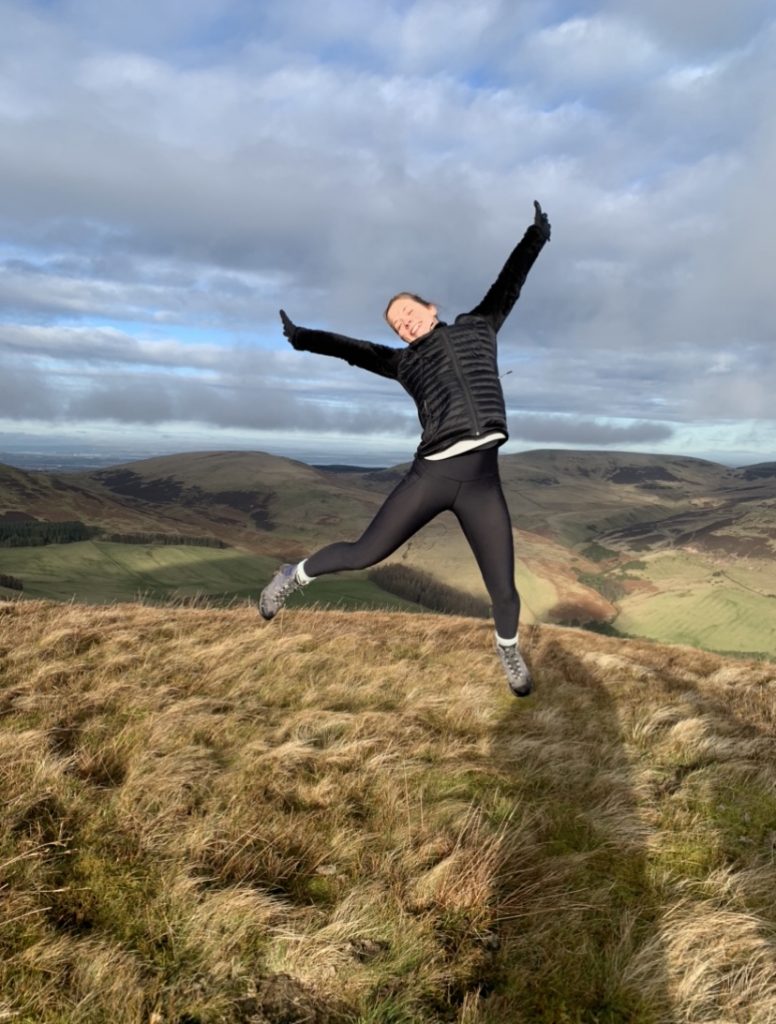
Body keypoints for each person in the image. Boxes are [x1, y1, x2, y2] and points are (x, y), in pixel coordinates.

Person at [260, 200, 551, 697]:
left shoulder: (480, 325)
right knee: (364, 553)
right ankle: (293, 575)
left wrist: (537, 235)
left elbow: (510, 282)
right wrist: (304, 338)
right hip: (432, 476)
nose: (406, 325)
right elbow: (352, 350)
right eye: (398, 325)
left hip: (482, 485)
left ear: (431, 309)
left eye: (410, 315)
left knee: (503, 588)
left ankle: (508, 650)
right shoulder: (402, 363)